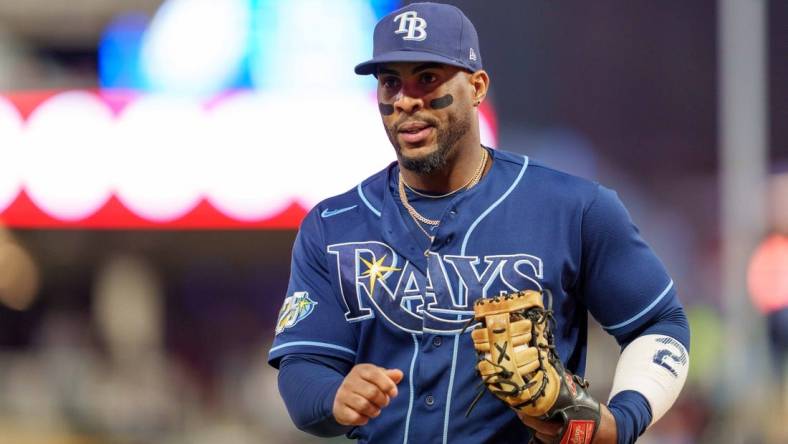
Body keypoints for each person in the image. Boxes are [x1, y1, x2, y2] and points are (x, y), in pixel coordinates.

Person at [268, 3, 690, 443]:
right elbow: (303, 368)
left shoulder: (573, 209)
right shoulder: (335, 225)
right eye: (391, 81)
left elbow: (660, 325)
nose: (407, 100)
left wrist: (620, 423)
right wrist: (334, 395)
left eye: (428, 78)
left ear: (477, 87)